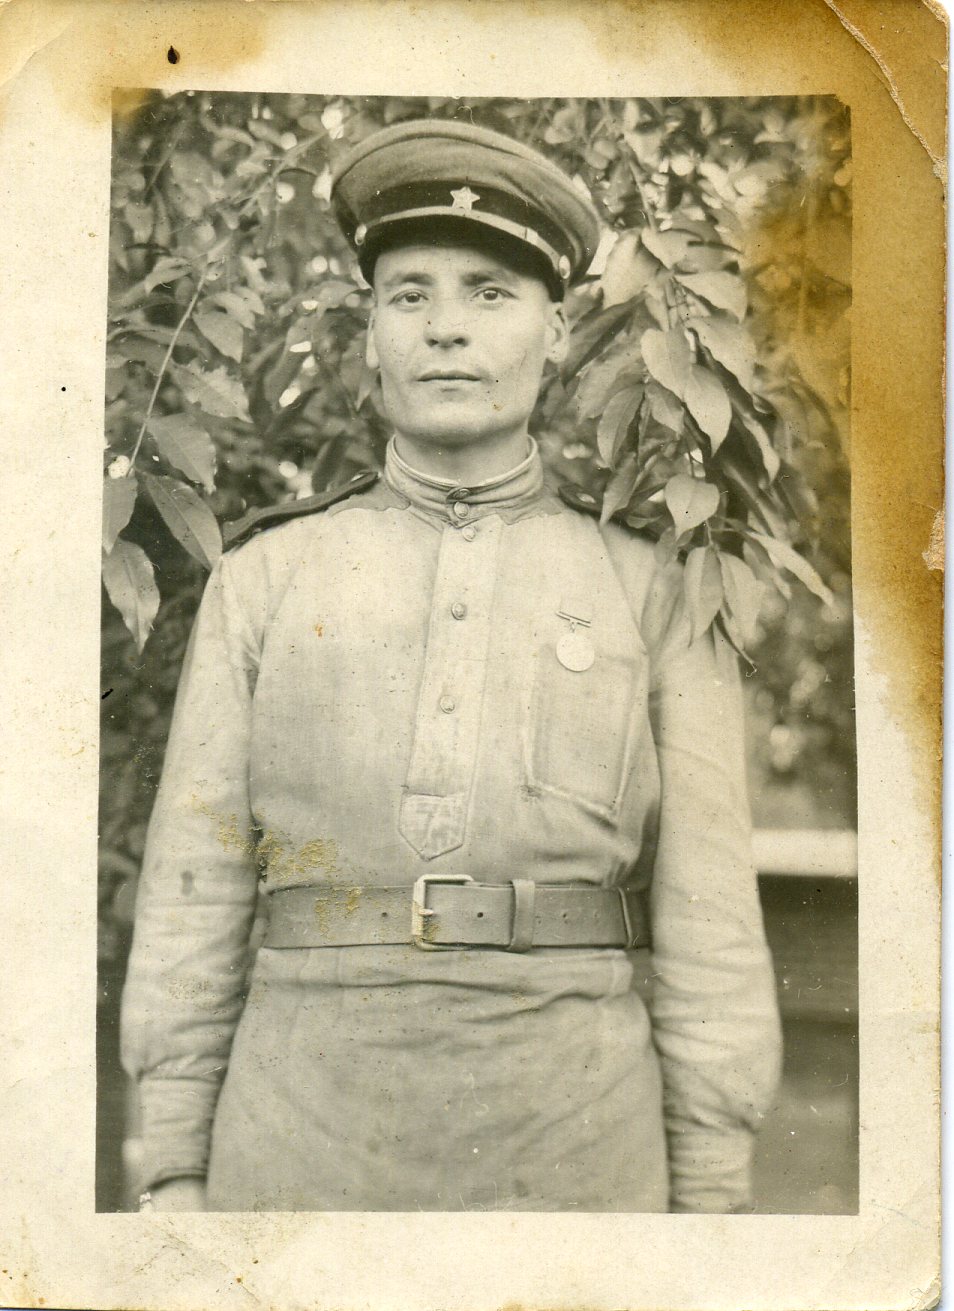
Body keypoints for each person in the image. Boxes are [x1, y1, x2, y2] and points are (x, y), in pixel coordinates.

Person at [120, 118, 782, 1214]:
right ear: (371, 334)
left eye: (489, 292)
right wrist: (176, 1167)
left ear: (556, 330)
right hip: (301, 1138)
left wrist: (711, 1189)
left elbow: (709, 911)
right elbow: (197, 884)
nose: (445, 329)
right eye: (408, 294)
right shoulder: (268, 577)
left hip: (574, 1143)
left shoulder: (652, 585)